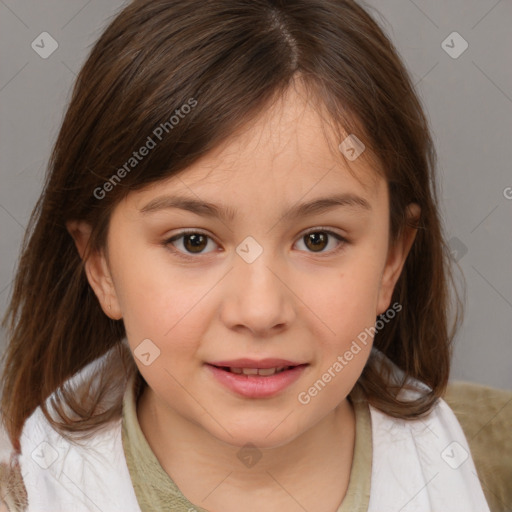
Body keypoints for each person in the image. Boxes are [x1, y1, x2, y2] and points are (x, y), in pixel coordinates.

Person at [0, 1, 510, 511]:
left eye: (318, 240)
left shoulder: (494, 465)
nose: (260, 311)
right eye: (193, 241)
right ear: (101, 266)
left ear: (391, 261)